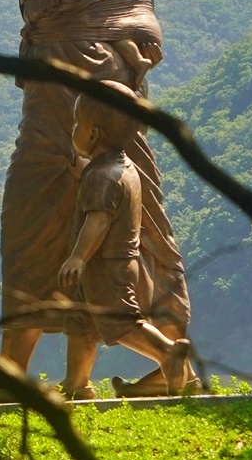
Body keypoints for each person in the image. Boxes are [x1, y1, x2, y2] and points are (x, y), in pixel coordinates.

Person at [0, 0, 127, 396]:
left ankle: (35, 376)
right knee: (36, 229)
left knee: (41, 221)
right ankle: (11, 375)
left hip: (68, 100)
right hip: (54, 92)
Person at [58, 82, 191, 396]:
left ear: (93, 135)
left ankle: (167, 354)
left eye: (78, 124)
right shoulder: (124, 169)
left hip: (105, 265)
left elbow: (99, 220)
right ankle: (76, 384)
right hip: (114, 264)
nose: (74, 130)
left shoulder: (100, 177)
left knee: (121, 322)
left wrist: (78, 256)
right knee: (81, 323)